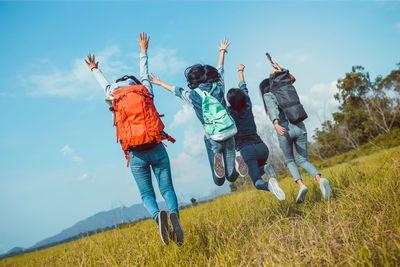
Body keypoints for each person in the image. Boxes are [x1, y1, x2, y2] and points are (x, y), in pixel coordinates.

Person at [84, 33, 183, 246]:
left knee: (147, 194)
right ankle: (173, 213)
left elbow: (103, 84)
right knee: (167, 190)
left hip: (135, 153)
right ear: (134, 84)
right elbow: (144, 71)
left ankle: (159, 217)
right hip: (156, 146)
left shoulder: (113, 94)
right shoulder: (144, 89)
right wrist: (143, 50)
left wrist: (94, 68)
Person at [150, 38, 248, 186]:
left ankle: (217, 157)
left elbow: (177, 91)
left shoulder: (193, 95)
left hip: (212, 137)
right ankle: (236, 160)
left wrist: (159, 83)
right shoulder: (219, 85)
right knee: (231, 177)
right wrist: (222, 51)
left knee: (219, 181)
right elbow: (220, 68)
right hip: (229, 133)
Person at [260, 60, 332, 203]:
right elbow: (291, 78)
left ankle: (301, 185)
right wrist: (279, 68)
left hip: (283, 130)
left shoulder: (268, 95)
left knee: (290, 161)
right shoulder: (286, 89)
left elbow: (273, 109)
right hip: (298, 125)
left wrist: (275, 123)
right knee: (303, 160)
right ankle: (319, 179)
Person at [226, 64, 285, 200]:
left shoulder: (229, 113)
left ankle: (269, 186)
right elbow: (243, 87)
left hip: (246, 150)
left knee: (257, 182)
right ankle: (264, 168)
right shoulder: (247, 104)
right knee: (258, 168)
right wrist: (240, 71)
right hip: (262, 147)